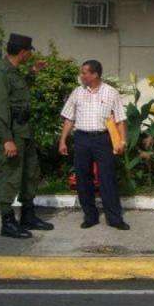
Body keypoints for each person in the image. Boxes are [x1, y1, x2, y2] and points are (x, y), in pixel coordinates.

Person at [0, 33, 54, 238]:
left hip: (23, 131)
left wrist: (33, 72)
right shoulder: (1, 71)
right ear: (23, 52)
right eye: (29, 52)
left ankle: (27, 215)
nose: (29, 56)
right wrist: (7, 139)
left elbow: (19, 90)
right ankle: (7, 222)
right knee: (9, 175)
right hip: (12, 133)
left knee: (29, 172)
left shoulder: (14, 71)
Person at [58, 60, 130, 230]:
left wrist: (122, 141)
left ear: (95, 74)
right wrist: (63, 140)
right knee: (83, 178)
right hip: (82, 139)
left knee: (108, 178)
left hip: (103, 139)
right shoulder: (77, 92)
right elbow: (69, 118)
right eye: (81, 73)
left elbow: (120, 119)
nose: (81, 76)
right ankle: (90, 216)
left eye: (84, 73)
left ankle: (114, 218)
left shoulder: (111, 93)